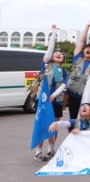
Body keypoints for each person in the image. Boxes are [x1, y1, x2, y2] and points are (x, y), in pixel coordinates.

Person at [32, 25, 68, 161]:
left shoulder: (65, 72)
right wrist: (54, 33)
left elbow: (64, 85)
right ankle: (38, 151)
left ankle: (51, 150)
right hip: (43, 100)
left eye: (61, 54)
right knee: (42, 123)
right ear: (51, 57)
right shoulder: (46, 65)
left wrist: (55, 95)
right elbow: (50, 49)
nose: (58, 54)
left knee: (54, 125)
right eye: (55, 54)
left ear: (63, 59)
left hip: (57, 101)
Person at [66, 20, 90, 119]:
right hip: (72, 94)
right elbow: (81, 42)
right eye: (87, 48)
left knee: (86, 119)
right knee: (73, 118)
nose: (88, 49)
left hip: (86, 95)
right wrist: (87, 26)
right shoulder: (77, 58)